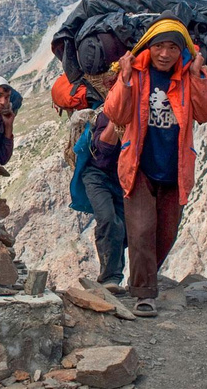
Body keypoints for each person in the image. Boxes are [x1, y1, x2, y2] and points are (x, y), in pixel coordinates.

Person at [103, 11, 207, 317]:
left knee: (166, 233)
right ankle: (144, 294)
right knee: (142, 230)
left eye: (172, 47)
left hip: (176, 168)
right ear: (149, 47)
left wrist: (196, 76)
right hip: (139, 165)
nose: (165, 54)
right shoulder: (136, 73)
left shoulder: (190, 75)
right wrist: (126, 79)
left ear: (181, 49)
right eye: (159, 47)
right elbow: (116, 113)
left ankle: (141, 280)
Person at [80, 109, 127, 294]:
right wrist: (118, 118)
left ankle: (115, 276)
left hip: (123, 177)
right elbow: (105, 148)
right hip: (97, 175)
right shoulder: (105, 115)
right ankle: (109, 278)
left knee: (123, 227)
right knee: (107, 218)